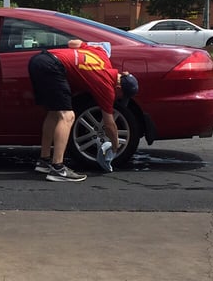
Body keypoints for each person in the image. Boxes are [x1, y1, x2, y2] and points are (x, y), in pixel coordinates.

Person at [28, 39, 138, 182]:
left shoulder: (102, 55)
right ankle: (58, 168)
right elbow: (109, 124)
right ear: (119, 88)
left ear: (123, 74)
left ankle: (44, 160)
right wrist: (115, 146)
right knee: (67, 116)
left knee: (54, 113)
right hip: (53, 67)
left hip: (39, 60)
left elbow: (73, 43)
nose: (118, 98)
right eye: (121, 96)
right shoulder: (106, 86)